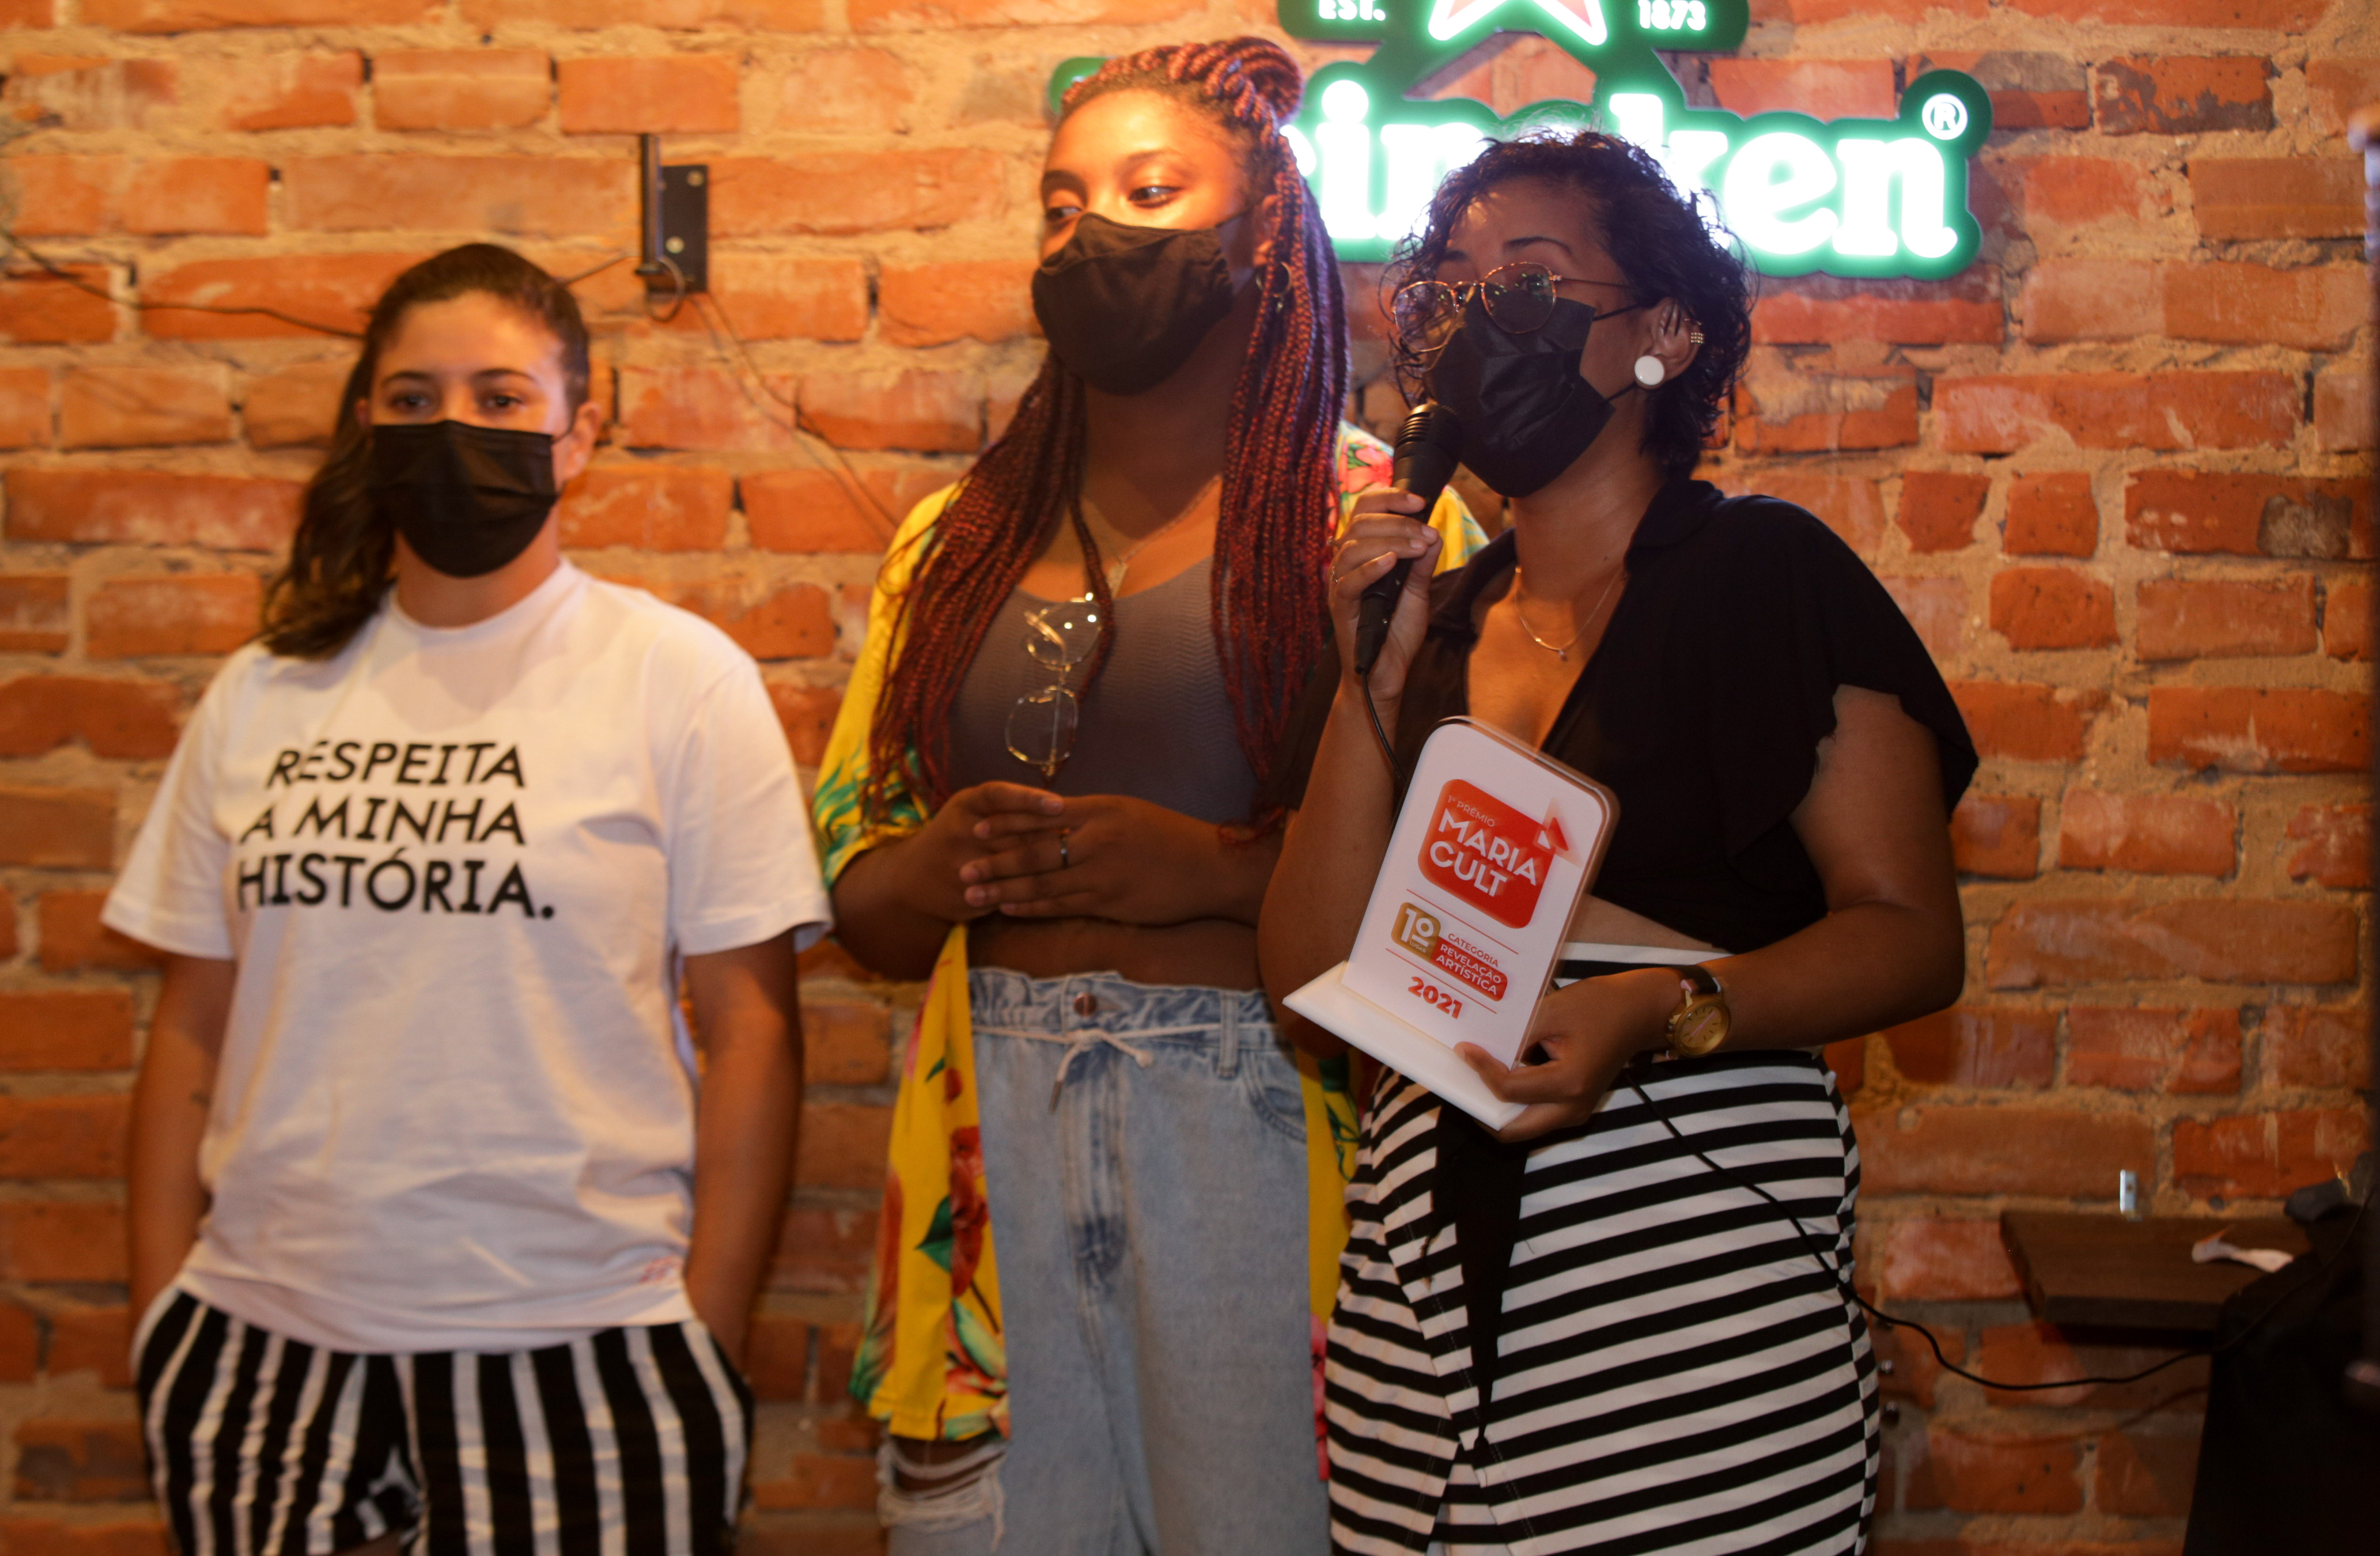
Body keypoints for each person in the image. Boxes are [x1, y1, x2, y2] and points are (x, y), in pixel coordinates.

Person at [809, 37, 1481, 1556]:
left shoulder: (1378, 527)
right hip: (992, 1147)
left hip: (1260, 1138)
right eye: (1061, 204)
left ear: (1266, 231)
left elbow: (1465, 914)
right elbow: (861, 898)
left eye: (1150, 191)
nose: (1090, 232)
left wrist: (1218, 874)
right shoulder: (951, 543)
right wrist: (942, 866)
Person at [1261, 132, 1977, 1555]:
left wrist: (1662, 1008)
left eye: (1530, 281)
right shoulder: (1431, 624)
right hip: (1422, 1308)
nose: (1480, 321)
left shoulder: (1762, 573)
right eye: (1451, 290)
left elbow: (1911, 937)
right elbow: (1309, 982)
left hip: (1685, 1301)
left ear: (1664, 332)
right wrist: (1368, 682)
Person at [107, 244, 830, 1556]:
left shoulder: (678, 680)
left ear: (579, 434)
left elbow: (753, 1031)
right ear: (367, 424)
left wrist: (703, 1341)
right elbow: (194, 1029)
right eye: (414, 398)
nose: (455, 428)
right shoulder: (265, 691)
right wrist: (168, 1328)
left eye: (501, 398)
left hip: (587, 1344)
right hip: (262, 1348)